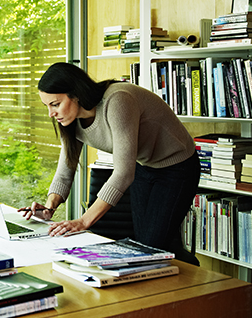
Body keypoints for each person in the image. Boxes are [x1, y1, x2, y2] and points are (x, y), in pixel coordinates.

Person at [18, 62, 200, 265]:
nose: (51, 113)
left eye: (55, 104)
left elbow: (123, 173)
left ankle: (196, 276)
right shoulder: (71, 121)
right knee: (146, 245)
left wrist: (84, 220)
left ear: (76, 94)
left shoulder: (117, 100)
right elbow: (66, 168)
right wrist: (49, 207)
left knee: (152, 246)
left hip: (177, 166)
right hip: (144, 165)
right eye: (48, 106)